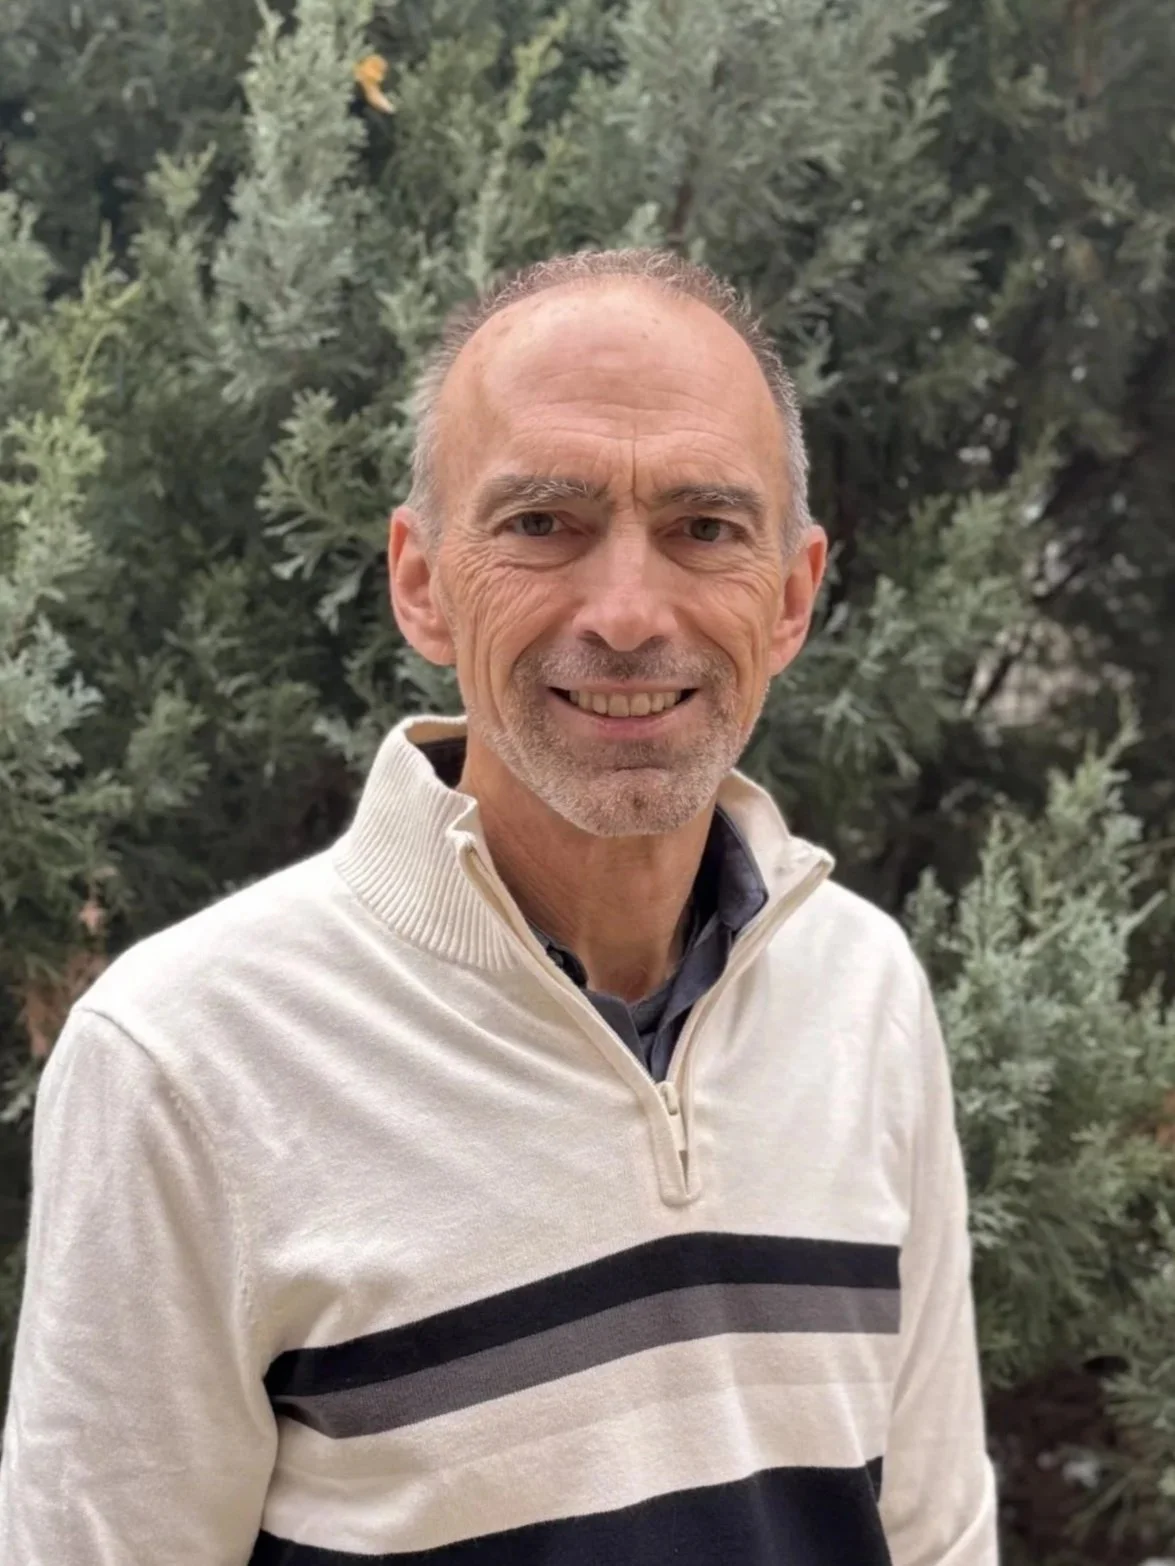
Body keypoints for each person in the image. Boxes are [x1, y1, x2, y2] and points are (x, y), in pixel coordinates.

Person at [0, 247, 999, 1564]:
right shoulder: (185, 1060)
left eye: (705, 528)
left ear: (792, 595)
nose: (628, 614)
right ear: (421, 581)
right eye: (542, 523)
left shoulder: (862, 990)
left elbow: (932, 1535)